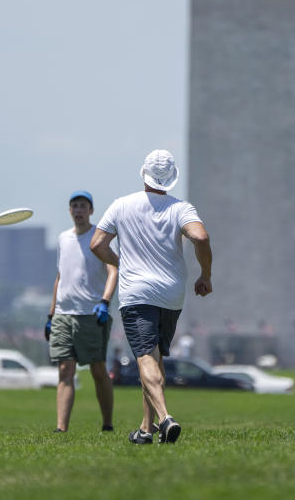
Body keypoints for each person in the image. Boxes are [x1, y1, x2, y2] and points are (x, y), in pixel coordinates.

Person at [90, 149, 213, 445]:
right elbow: (200, 237)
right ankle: (146, 430)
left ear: (143, 173)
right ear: (171, 178)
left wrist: (120, 262)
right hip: (172, 294)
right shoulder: (181, 208)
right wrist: (205, 275)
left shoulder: (121, 205)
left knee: (145, 358)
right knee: (155, 360)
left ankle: (165, 418)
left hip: (136, 293)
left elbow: (97, 244)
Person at [46, 190, 118, 433]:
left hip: (91, 313)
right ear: (69, 210)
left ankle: (107, 423)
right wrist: (51, 313)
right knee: (65, 368)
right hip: (64, 314)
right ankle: (61, 428)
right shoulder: (63, 239)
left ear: (91, 210)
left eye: (83, 206)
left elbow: (113, 270)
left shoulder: (99, 238)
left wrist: (105, 301)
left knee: (98, 369)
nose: (78, 210)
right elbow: (60, 277)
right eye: (74, 206)